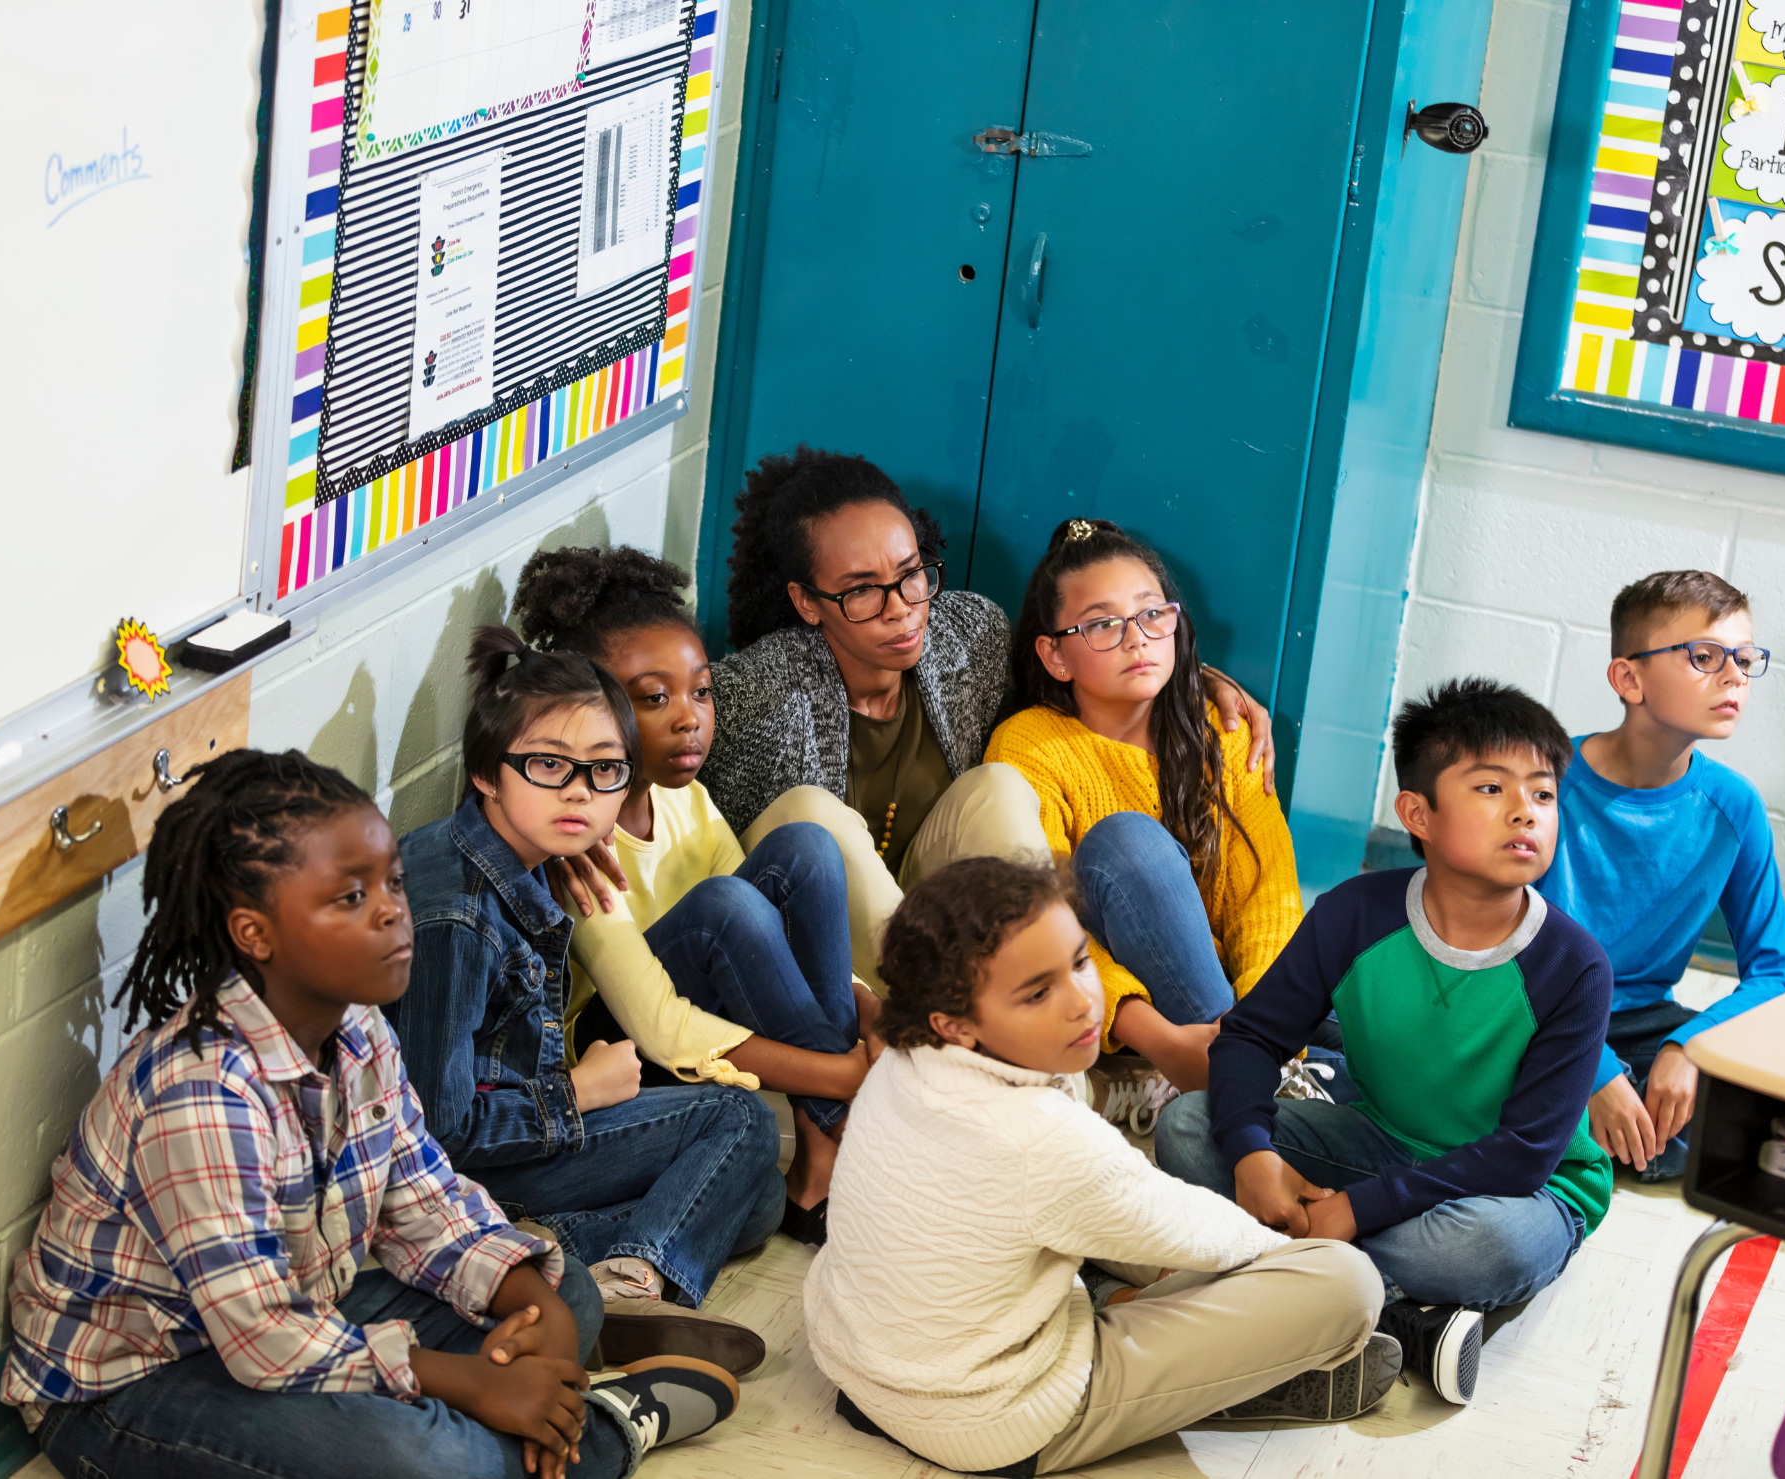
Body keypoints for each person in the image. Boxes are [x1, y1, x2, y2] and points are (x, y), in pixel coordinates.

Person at [0, 749, 740, 1479]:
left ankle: (514, 1424)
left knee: (565, 1293)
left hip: (303, 1300)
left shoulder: (358, 1026)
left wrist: (525, 1297)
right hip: (134, 1382)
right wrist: (474, 1381)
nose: (393, 911)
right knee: (431, 1457)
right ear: (254, 932)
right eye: (350, 897)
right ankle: (591, 1434)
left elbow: (423, 1200)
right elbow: (261, 1338)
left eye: (392, 881)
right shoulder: (201, 1094)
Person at [804, 855, 1398, 1477]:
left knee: (1137, 1224)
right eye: (1037, 993)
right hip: (984, 1418)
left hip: (855, 1364)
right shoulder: (1041, 1139)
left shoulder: (903, 1058)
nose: (1083, 1003)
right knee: (1346, 1283)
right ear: (954, 1024)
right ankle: (1210, 1373)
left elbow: (1123, 1204)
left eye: (1081, 962)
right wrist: (1292, 1245)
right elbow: (1199, 1232)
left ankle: (1128, 1299)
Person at [1156, 678, 1614, 1407]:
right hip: (1383, 1138)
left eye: (1544, 793)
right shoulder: (1356, 913)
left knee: (1484, 1249)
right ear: (1417, 813)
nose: (1526, 809)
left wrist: (1356, 1208)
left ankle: (1277, 1271)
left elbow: (1525, 1151)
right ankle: (1398, 1311)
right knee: (1186, 1125)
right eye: (1492, 787)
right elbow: (1250, 1037)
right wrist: (1253, 1154)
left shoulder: (1574, 963)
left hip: (1523, 1190)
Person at [699, 445, 1275, 988]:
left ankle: (1051, 1054)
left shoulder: (967, 635)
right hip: (814, 940)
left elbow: (1074, 674)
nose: (901, 608)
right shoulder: (760, 695)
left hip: (933, 907)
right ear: (806, 602)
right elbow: (675, 794)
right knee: (811, 814)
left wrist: (1190, 677)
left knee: (999, 785)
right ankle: (930, 1030)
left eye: (911, 573)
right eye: (861, 592)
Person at [394, 628, 777, 1376]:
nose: (578, 791)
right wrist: (580, 1089)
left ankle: (547, 1255)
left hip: (511, 1162)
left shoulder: (521, 855)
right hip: (466, 1171)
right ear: (484, 772)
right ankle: (629, 1280)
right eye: (548, 766)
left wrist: (566, 846)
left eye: (604, 771)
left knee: (757, 1196)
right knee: (737, 1121)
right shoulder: (458, 918)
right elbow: (439, 1131)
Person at [511, 544, 880, 1245]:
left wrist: (868, 1002)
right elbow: (658, 1026)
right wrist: (843, 1071)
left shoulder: (688, 801)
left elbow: (771, 937)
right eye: (655, 698)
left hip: (695, 1014)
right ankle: (840, 1123)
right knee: (721, 909)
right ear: (592, 708)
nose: (690, 718)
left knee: (805, 847)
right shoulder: (573, 841)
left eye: (701, 691)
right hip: (616, 1049)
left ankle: (822, 1146)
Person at [985, 517, 1304, 1121]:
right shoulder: (1030, 747)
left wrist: (1270, 1024)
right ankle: (1261, 1093)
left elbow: (1270, 902)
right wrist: (1160, 1038)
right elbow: (1043, 929)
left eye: (1152, 614)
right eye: (1103, 624)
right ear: (1054, 655)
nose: (1137, 639)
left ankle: (1264, 1081)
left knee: (1377, 998)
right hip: (1133, 1016)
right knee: (1128, 842)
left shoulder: (1225, 736)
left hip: (1236, 1013)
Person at [1538, 570, 1785, 1183]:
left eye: (1745, 659)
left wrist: (1690, 1045)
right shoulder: (1547, 784)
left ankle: (1582, 1133)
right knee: (1496, 1092)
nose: (1735, 675)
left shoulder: (1733, 807)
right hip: (1531, 1011)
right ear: (1629, 678)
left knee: (1754, 1135)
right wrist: (1595, 1074)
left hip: (1640, 1022)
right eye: (1705, 657)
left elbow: (1778, 969)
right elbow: (1504, 951)